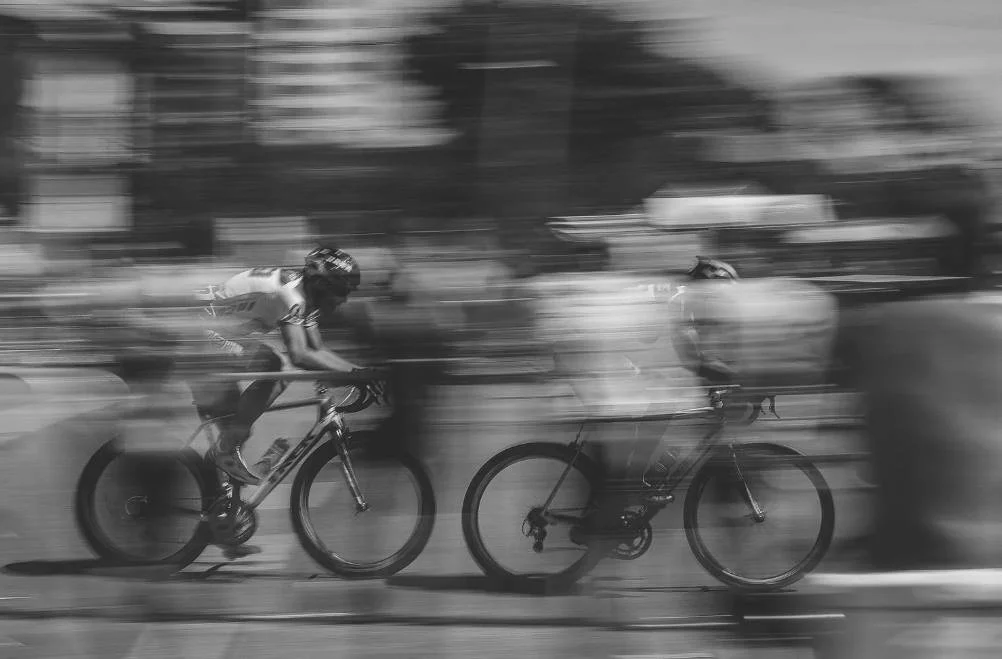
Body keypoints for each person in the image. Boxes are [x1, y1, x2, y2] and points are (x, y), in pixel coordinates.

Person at [191, 245, 376, 486]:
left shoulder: (305, 295)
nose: (344, 299)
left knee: (239, 426)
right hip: (198, 333)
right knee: (279, 366)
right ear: (322, 284)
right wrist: (355, 376)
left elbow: (318, 350)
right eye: (341, 291)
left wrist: (359, 373)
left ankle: (220, 504)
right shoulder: (292, 295)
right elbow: (300, 354)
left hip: (216, 331)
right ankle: (224, 451)